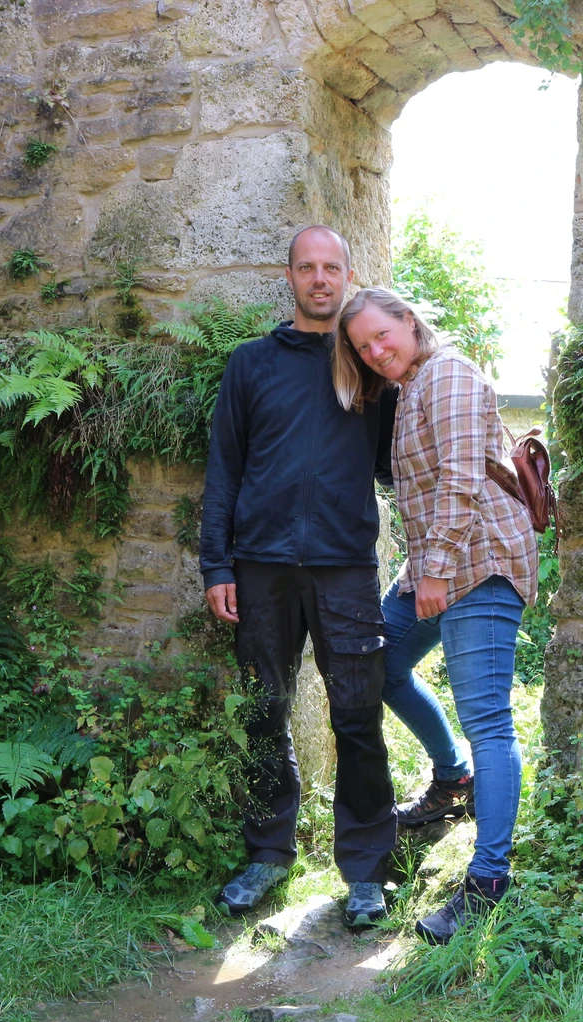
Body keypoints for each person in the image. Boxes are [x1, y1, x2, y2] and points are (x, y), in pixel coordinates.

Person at [200, 226, 398, 927]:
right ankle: (267, 853)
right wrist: (217, 563)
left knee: (358, 716)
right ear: (288, 276)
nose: (320, 278)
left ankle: (368, 871)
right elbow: (224, 470)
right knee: (263, 709)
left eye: (332, 267)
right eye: (307, 267)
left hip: (346, 568)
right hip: (260, 567)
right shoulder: (250, 365)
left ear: (348, 275)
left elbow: (399, 465)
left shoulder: (371, 368)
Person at [335, 287, 538, 944]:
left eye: (380, 336)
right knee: (383, 664)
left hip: (478, 566)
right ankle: (453, 777)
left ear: (409, 320)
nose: (375, 352)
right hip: (438, 567)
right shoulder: (414, 384)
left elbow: (459, 481)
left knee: (489, 718)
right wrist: (418, 573)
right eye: (363, 348)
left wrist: (438, 571)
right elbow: (424, 497)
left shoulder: (447, 372)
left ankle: (487, 879)